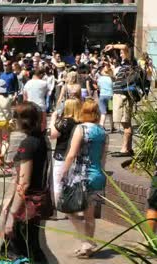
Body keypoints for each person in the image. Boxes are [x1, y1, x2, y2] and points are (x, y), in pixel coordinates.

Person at [0, 101, 54, 264]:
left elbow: (23, 183)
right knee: (32, 246)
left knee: (23, 249)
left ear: (21, 120)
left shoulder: (28, 144)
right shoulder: (40, 139)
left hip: (26, 205)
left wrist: (11, 215)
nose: (11, 121)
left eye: (14, 117)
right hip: (34, 203)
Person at [60, 99, 108, 258]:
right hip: (97, 175)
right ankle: (86, 247)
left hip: (81, 175)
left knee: (69, 209)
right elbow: (103, 158)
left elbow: (72, 154)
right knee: (89, 214)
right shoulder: (103, 132)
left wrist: (63, 172)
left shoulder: (80, 129)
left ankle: (87, 242)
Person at [104, 43, 134, 157]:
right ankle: (128, 148)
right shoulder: (123, 66)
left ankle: (124, 149)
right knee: (125, 121)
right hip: (119, 95)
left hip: (122, 96)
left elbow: (125, 47)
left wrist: (112, 46)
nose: (121, 54)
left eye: (121, 53)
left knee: (125, 122)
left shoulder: (129, 62)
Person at [49, 98, 81, 206]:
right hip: (77, 156)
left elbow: (53, 135)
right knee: (72, 182)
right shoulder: (81, 122)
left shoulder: (65, 122)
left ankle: (58, 206)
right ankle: (72, 204)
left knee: (58, 183)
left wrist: (53, 119)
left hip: (62, 155)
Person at [97, 62, 116, 132]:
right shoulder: (111, 78)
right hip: (110, 96)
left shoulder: (100, 79)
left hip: (102, 96)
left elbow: (98, 87)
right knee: (111, 112)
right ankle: (112, 127)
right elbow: (113, 86)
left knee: (103, 112)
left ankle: (101, 126)